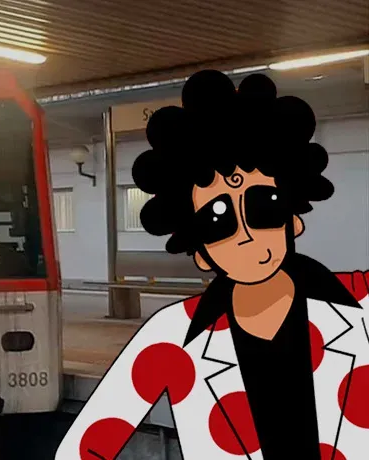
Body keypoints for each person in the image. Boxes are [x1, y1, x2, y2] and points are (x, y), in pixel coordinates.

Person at [55, 69, 369, 459]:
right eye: (218, 222)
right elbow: (86, 446)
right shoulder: (171, 338)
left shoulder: (362, 303)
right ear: (201, 252)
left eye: (264, 206)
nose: (247, 233)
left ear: (293, 219)